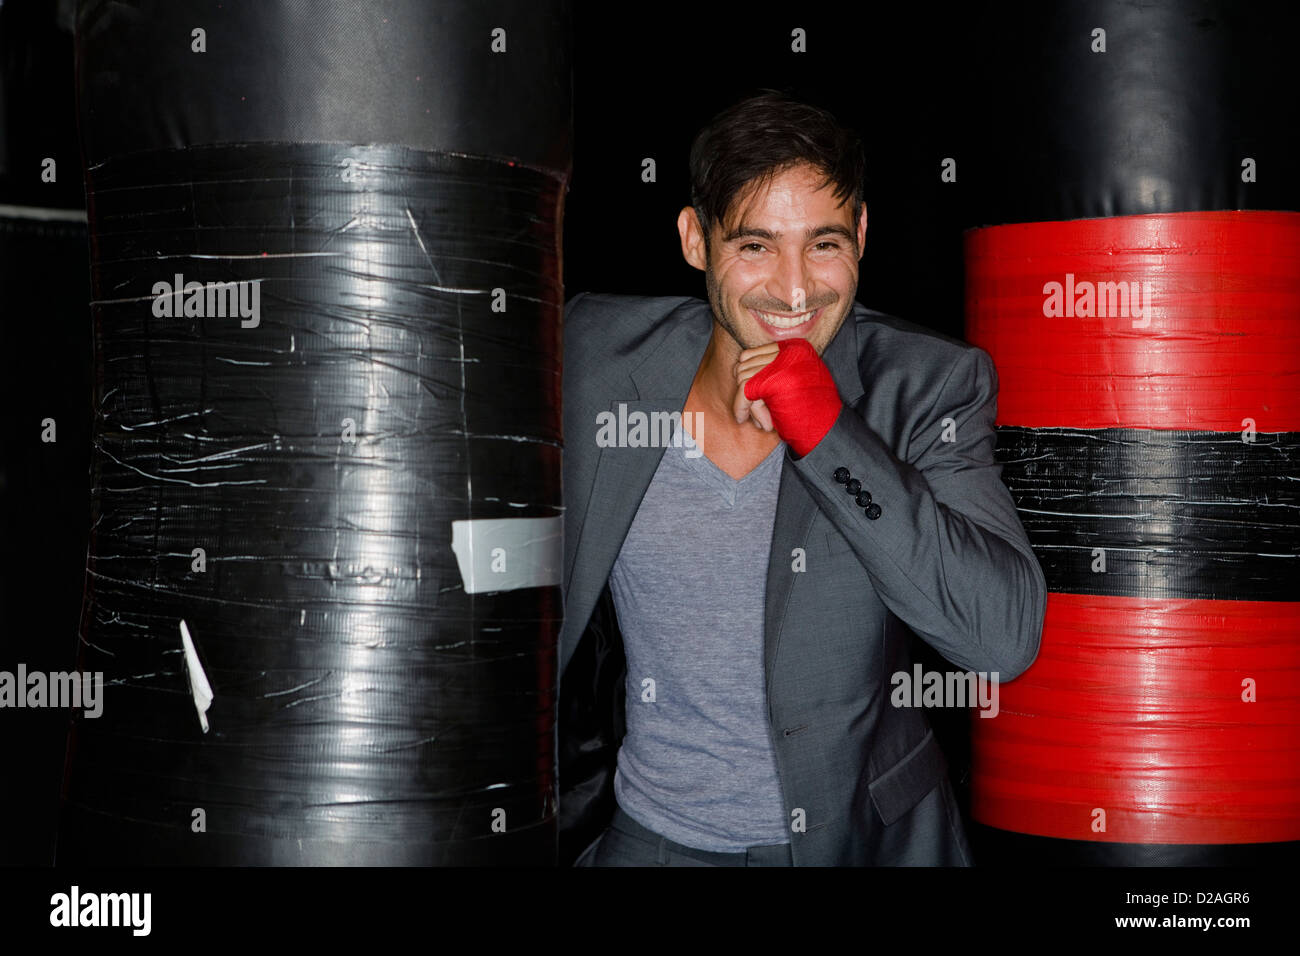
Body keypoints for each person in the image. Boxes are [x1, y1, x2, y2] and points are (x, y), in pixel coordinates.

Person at [557, 90, 1046, 866]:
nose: (795, 290)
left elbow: (1003, 638)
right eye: (755, 246)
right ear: (695, 240)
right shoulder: (595, 353)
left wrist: (832, 439)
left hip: (856, 842)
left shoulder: (924, 387)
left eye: (822, 244)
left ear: (860, 231)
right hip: (650, 839)